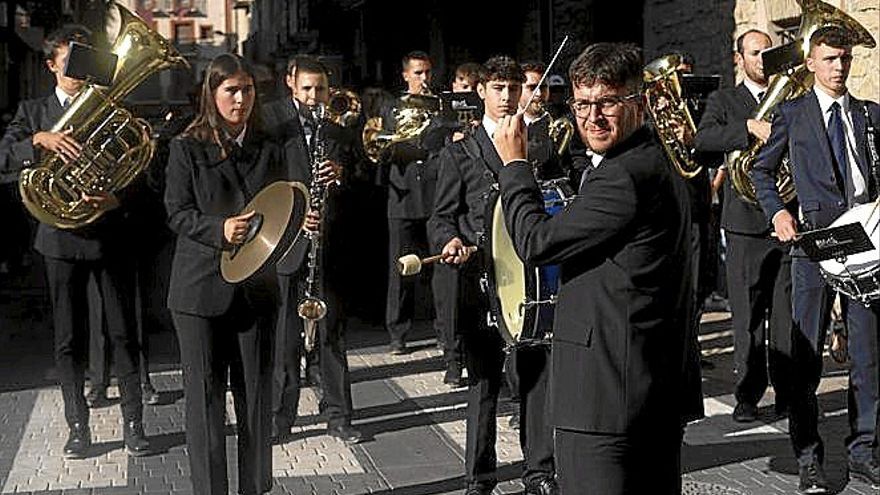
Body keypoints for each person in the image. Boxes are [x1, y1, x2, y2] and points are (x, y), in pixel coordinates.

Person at [493, 42, 703, 495]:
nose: (592, 117)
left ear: (638, 102)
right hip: (647, 386)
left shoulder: (623, 174)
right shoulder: (657, 157)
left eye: (607, 101)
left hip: (605, 395)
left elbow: (536, 241)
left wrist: (513, 166)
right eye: (583, 103)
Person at [0, 25, 150, 459]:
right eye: (71, 64)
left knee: (124, 334)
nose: (81, 73)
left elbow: (142, 173)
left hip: (109, 235)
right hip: (59, 241)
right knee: (69, 339)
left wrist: (116, 196)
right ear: (51, 65)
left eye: (86, 63)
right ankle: (78, 427)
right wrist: (37, 140)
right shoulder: (34, 111)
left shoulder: (110, 107)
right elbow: (3, 158)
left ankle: (134, 424)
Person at [751, 27, 879, 493]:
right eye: (828, 59)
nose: (839, 67)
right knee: (807, 358)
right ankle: (808, 457)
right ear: (811, 64)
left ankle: (863, 451)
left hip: (865, 243)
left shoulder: (869, 114)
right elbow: (760, 171)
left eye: (844, 58)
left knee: (867, 356)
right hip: (816, 243)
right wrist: (779, 211)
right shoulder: (792, 113)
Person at [430, 55, 558, 495]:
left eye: (513, 88)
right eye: (498, 88)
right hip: (479, 278)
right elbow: (442, 217)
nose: (507, 97)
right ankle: (478, 478)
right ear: (481, 91)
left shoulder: (537, 143)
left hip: (530, 275)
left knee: (536, 376)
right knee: (483, 381)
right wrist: (448, 241)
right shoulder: (458, 150)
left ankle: (539, 473)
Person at [164, 53, 282, 495]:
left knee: (255, 396)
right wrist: (219, 229)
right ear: (212, 94)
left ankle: (255, 488)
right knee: (205, 401)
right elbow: (176, 212)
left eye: (248, 90)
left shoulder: (270, 143)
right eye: (231, 90)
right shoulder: (186, 146)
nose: (241, 99)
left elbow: (285, 202)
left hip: (256, 289)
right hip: (199, 291)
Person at [261, 55, 362, 445]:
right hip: (287, 243)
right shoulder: (272, 124)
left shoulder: (337, 128)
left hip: (328, 246)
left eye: (320, 88)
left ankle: (339, 417)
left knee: (332, 335)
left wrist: (340, 174)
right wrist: (296, 218)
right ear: (290, 83)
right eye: (306, 88)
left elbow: (359, 181)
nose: (314, 96)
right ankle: (279, 418)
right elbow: (265, 184)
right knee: (285, 334)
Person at [695, 29, 793, 423]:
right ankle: (748, 395)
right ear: (739, 59)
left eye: (768, 51)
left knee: (787, 317)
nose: (763, 58)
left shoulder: (792, 97)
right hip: (744, 223)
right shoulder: (725, 100)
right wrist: (748, 128)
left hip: (787, 220)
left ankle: (790, 394)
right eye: (755, 52)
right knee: (747, 317)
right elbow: (702, 140)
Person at [380, 50, 442, 355]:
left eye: (428, 72)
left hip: (434, 196)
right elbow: (380, 148)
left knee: (438, 269)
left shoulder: (439, 106)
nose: (424, 78)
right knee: (399, 269)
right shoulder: (392, 107)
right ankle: (397, 333)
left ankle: (443, 331)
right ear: (405, 75)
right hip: (402, 196)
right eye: (418, 73)